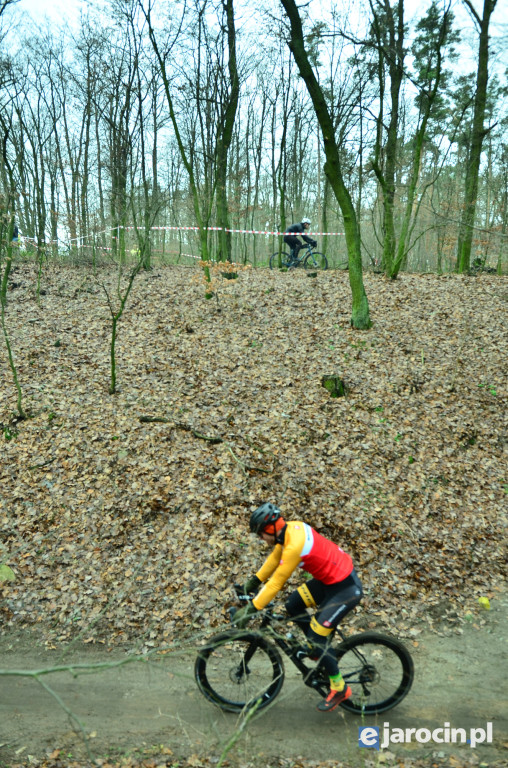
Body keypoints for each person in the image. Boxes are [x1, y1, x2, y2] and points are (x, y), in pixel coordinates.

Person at [234, 502, 363, 712]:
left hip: (345, 588)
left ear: (271, 529)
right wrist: (252, 583)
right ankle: (316, 650)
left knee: (316, 636)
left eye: (260, 534)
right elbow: (274, 559)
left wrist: (251, 609)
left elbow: (276, 582)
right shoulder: (288, 530)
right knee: (293, 604)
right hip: (329, 581)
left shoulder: (295, 545)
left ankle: (339, 687)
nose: (260, 539)